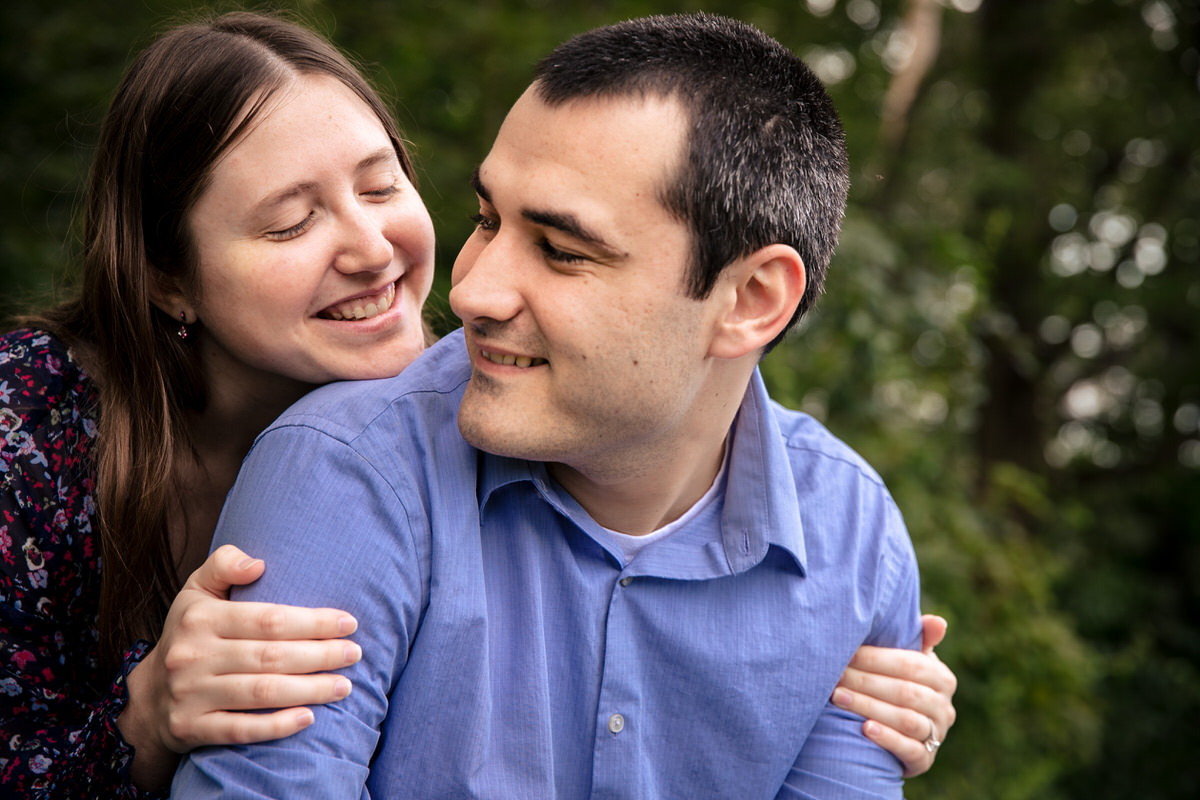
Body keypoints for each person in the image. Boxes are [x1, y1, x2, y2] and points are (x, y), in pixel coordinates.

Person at [174, 12, 948, 798]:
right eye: (486, 219)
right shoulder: (348, 471)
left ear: (750, 299)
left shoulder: (855, 547)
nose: (469, 289)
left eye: (561, 250)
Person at [0, 12, 435, 796]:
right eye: (291, 223)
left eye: (381, 185)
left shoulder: (470, 417)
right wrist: (145, 719)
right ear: (167, 277)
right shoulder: (19, 445)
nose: (374, 249)